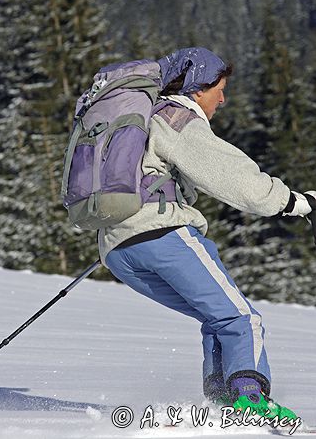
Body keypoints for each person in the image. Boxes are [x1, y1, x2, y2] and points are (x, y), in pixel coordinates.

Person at [97, 47, 316, 419]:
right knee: (241, 318)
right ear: (198, 88)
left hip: (117, 249)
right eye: (220, 88)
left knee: (218, 316)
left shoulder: (137, 118)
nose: (224, 98)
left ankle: (221, 402)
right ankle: (250, 400)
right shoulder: (177, 119)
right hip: (161, 236)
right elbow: (235, 178)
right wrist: (294, 202)